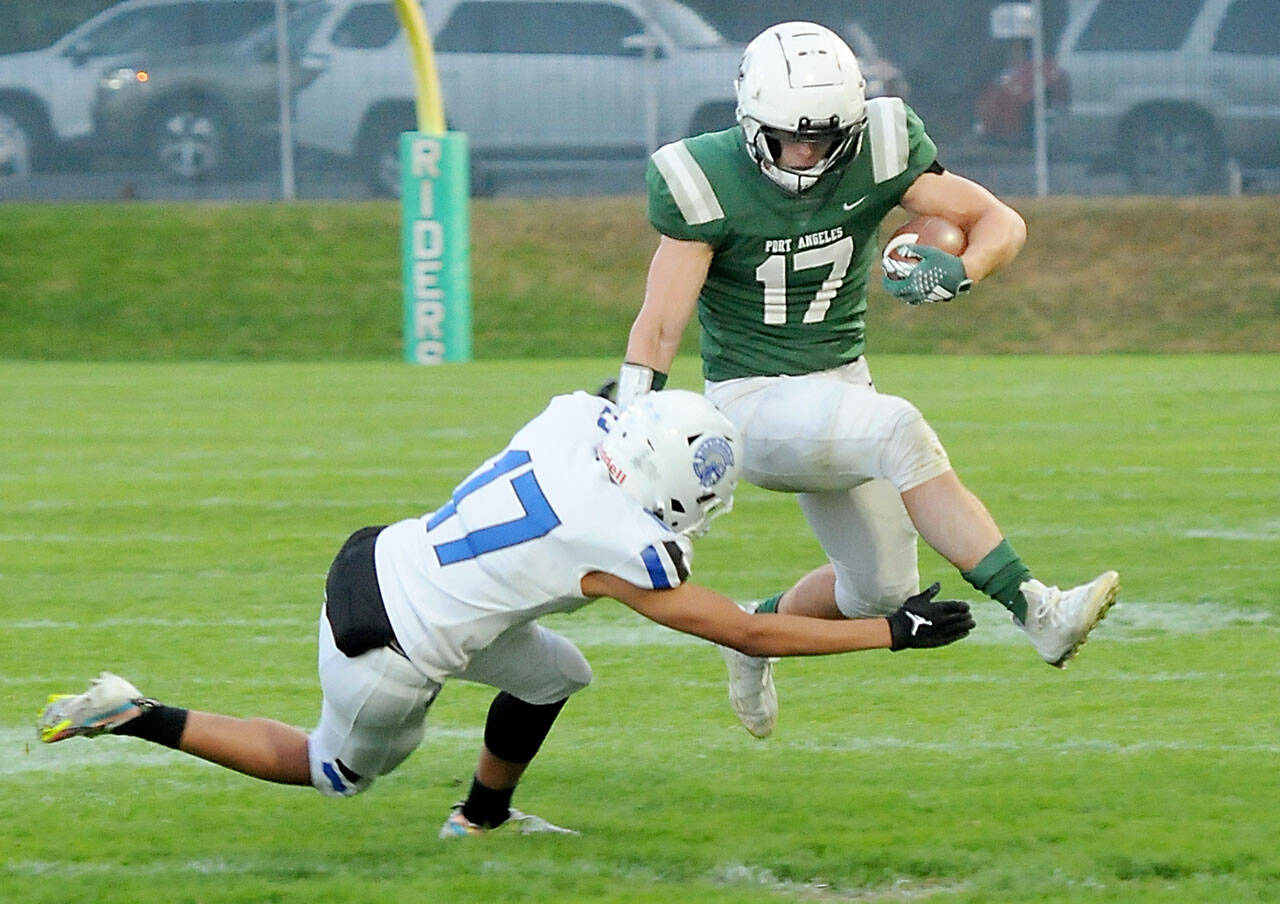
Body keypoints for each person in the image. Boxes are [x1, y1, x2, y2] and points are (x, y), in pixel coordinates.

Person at [37, 389, 974, 836]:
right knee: (335, 773)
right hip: (390, 648)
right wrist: (893, 629)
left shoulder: (576, 423)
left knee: (558, 672)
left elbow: (624, 386)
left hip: (384, 557)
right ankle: (131, 710)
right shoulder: (619, 542)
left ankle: (481, 820)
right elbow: (744, 630)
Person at [614, 22, 1118, 739]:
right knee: (900, 428)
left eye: (825, 138)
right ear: (752, 120)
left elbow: (999, 220)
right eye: (792, 136)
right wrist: (624, 421)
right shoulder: (704, 178)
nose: (809, 153)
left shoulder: (880, 147)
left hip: (842, 388)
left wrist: (964, 271)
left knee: (881, 591)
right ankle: (1038, 609)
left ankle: (752, 631)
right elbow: (660, 324)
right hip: (753, 405)